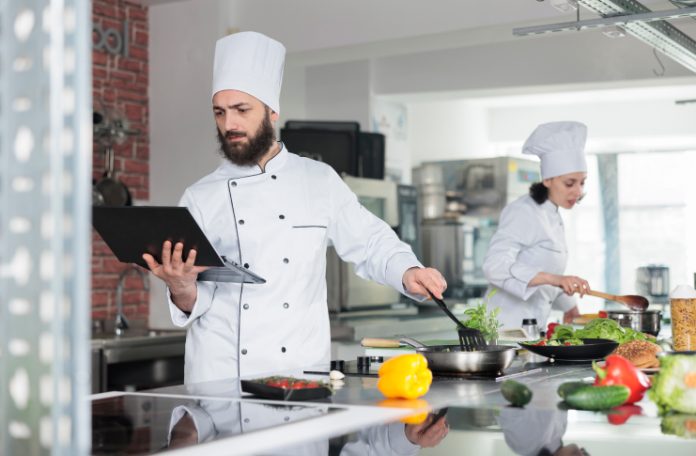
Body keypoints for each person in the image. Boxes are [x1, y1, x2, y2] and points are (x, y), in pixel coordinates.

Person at [142, 31, 446, 384]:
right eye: (220, 112)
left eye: (242, 110)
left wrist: (408, 270)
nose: (230, 125)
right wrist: (180, 287)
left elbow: (371, 240)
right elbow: (195, 298)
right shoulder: (199, 196)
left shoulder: (318, 180)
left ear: (272, 112)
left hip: (299, 376)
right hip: (222, 380)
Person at [482, 121, 591, 330]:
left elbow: (545, 274)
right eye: (570, 183)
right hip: (504, 329)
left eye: (582, 182)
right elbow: (495, 266)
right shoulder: (523, 212)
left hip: (532, 327)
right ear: (548, 180)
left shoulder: (552, 213)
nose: (578, 191)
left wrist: (569, 306)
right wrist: (555, 278)